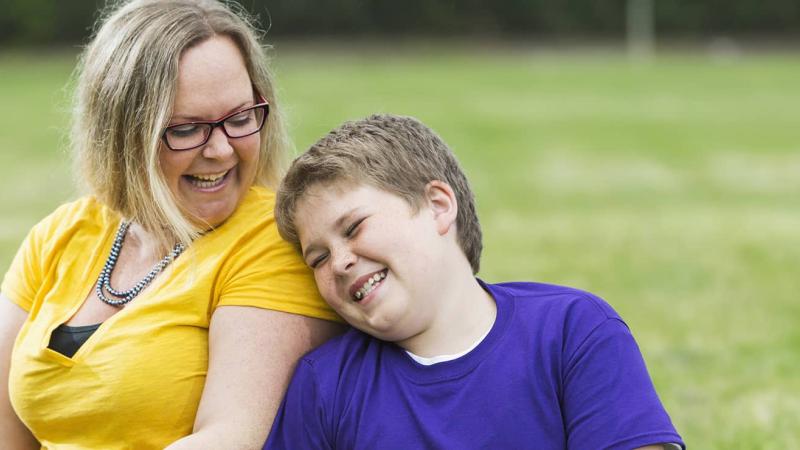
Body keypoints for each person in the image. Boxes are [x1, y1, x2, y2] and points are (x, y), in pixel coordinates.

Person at [0, 0, 344, 448]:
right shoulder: (64, 233)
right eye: (186, 129)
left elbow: (232, 437)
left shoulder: (272, 238)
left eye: (240, 119)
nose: (221, 150)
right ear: (123, 134)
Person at [265, 114, 685, 449]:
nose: (338, 262)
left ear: (437, 206)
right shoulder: (326, 383)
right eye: (317, 257)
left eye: (354, 227)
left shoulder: (571, 332)